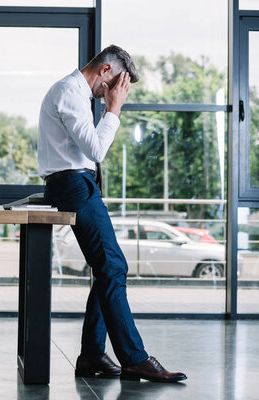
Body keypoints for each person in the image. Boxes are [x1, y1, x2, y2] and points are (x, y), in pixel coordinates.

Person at [38, 45, 187, 383]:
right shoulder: (69, 92)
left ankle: (92, 354)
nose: (114, 93)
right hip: (74, 185)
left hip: (78, 184)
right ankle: (134, 358)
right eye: (116, 84)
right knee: (114, 267)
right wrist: (113, 109)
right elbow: (96, 149)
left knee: (108, 269)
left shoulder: (72, 92)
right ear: (105, 71)